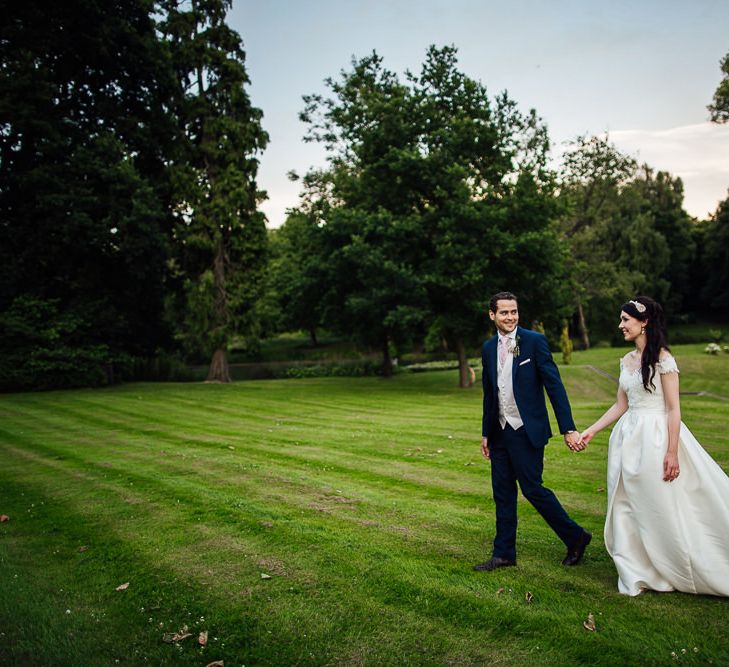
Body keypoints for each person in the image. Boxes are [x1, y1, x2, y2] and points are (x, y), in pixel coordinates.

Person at [580, 296, 729, 596]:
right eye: (621, 319)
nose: (620, 325)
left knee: (656, 503)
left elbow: (674, 409)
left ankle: (679, 562)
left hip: (656, 438)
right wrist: (591, 431)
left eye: (626, 319)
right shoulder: (625, 360)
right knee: (625, 502)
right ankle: (636, 568)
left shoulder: (664, 359)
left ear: (644, 322)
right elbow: (620, 405)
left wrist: (672, 452)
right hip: (627, 438)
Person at [475, 292, 591, 572]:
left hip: (526, 430)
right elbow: (490, 394)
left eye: (514, 312)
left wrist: (568, 428)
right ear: (492, 315)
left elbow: (555, 387)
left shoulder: (534, 343)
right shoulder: (489, 348)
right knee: (502, 493)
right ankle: (503, 554)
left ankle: (576, 537)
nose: (510, 317)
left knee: (533, 489)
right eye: (504, 313)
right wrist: (486, 433)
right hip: (500, 432)